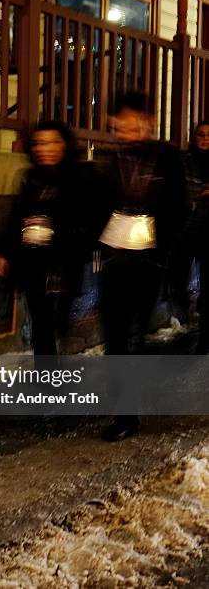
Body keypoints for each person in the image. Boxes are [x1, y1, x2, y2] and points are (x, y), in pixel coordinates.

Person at [96, 92, 185, 441]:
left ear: (148, 120)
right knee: (115, 335)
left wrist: (165, 253)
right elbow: (100, 207)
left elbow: (178, 208)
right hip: (116, 257)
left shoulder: (167, 159)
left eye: (134, 120)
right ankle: (125, 411)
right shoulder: (112, 161)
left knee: (134, 336)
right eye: (121, 121)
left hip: (149, 259)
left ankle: (129, 410)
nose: (127, 127)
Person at [0, 121, 92, 359]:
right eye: (40, 143)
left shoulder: (80, 178)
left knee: (58, 321)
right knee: (41, 324)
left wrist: (58, 230)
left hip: (64, 263)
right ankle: (47, 382)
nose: (46, 148)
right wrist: (1, 251)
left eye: (53, 142)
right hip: (34, 262)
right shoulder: (31, 178)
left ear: (65, 144)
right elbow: (15, 219)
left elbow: (88, 220)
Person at [175, 122, 209, 351]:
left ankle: (204, 336)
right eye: (201, 134)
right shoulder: (185, 160)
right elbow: (178, 191)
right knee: (178, 278)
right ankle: (185, 310)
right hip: (187, 229)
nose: (205, 139)